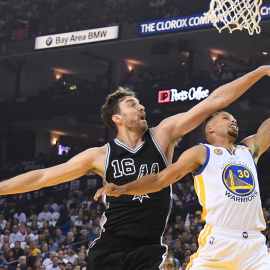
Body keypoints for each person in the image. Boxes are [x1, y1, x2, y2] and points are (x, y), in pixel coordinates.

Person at [0, 66, 270, 270]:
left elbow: (215, 101)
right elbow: (44, 177)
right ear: (117, 118)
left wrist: (259, 71)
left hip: (149, 246)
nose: (141, 106)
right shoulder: (99, 156)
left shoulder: (163, 134)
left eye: (140, 103)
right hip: (112, 244)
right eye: (132, 105)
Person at [94, 111, 270, 269]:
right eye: (226, 118)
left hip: (255, 247)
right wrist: (124, 188)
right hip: (219, 242)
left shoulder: (248, 149)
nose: (234, 121)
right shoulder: (202, 152)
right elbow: (159, 179)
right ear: (210, 128)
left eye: (234, 119)